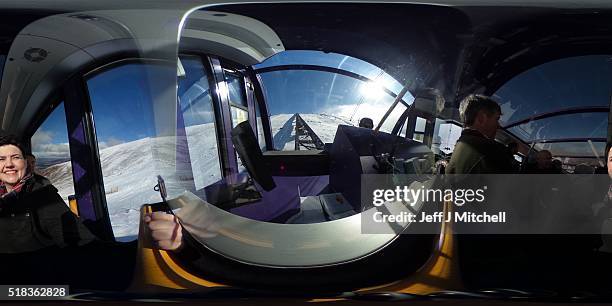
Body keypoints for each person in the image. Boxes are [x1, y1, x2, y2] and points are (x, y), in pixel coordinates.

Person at [445, 94, 512, 174]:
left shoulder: (461, 144)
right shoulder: (494, 152)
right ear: (481, 118)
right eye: (496, 119)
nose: (498, 125)